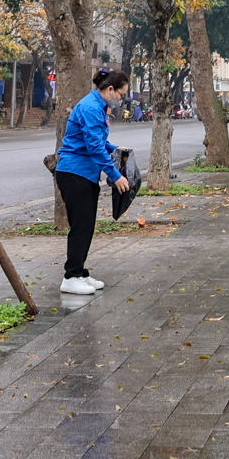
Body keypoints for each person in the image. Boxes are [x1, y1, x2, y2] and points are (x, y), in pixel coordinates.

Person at [54, 68, 132, 296]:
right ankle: (70, 277)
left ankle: (79, 273)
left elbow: (98, 141)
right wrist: (115, 176)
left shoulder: (97, 106)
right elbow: (94, 148)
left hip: (84, 173)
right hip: (74, 172)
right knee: (81, 226)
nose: (120, 99)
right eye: (120, 94)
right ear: (110, 89)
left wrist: (114, 148)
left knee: (86, 225)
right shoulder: (90, 108)